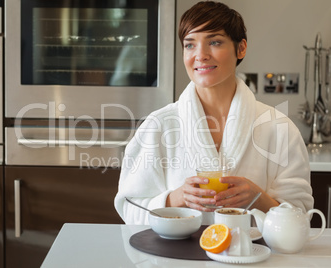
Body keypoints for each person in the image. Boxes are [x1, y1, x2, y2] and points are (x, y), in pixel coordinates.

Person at [114, 1, 313, 224]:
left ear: (241, 48)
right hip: (175, 258)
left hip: (254, 255)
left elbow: (301, 216)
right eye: (190, 45)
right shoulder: (158, 126)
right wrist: (175, 199)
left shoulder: (279, 128)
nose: (201, 55)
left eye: (215, 42)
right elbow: (130, 209)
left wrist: (258, 199)